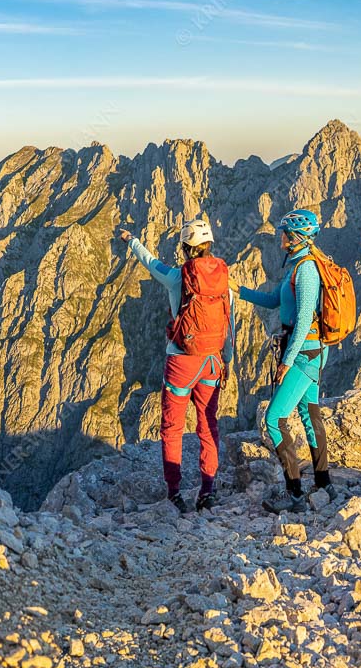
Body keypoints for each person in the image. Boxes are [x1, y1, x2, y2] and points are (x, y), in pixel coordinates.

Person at [117, 217, 235, 513]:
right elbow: (228, 323)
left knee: (172, 428)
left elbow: (150, 262)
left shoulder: (176, 277)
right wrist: (227, 360)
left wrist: (132, 241)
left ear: (186, 248)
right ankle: (207, 491)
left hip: (182, 361)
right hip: (212, 361)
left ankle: (174, 493)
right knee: (208, 425)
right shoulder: (224, 278)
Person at [232, 208, 332, 513]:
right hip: (308, 350)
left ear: (296, 237)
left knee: (274, 419)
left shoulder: (307, 270)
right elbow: (274, 299)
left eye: (285, 234)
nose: (280, 239)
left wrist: (286, 362)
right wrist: (238, 290)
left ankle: (295, 494)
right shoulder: (296, 267)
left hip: (304, 352)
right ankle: (324, 484)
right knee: (310, 414)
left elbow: (302, 321)